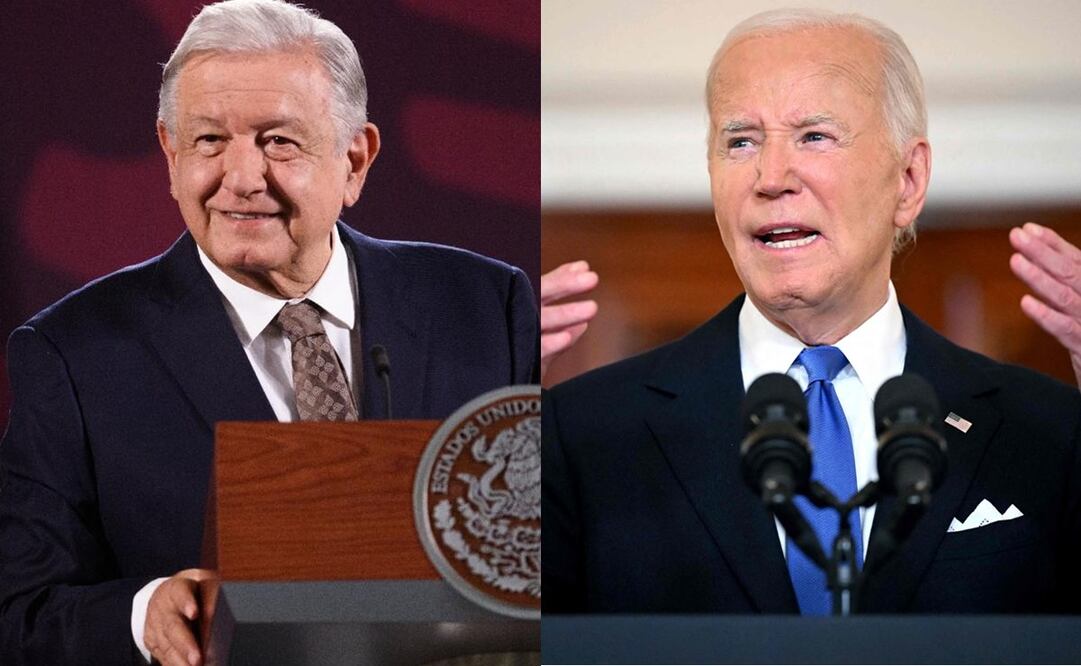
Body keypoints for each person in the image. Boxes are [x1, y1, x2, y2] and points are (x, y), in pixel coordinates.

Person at [0, 1, 538, 664]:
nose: (242, 178)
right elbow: (19, 612)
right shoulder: (75, 356)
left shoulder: (485, 306)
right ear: (170, 154)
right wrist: (144, 615)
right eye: (208, 141)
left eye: (279, 141)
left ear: (355, 159)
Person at [542, 8, 1081, 615]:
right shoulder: (579, 434)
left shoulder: (1052, 429)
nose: (771, 177)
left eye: (814, 136)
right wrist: (482, 433)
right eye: (740, 141)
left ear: (908, 180)